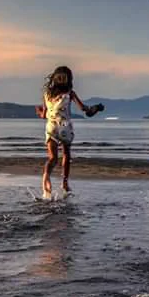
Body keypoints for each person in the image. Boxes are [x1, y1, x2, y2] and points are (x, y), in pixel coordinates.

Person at [35, 66, 103, 199]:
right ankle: (65, 183)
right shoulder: (70, 94)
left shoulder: (46, 95)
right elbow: (86, 111)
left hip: (51, 127)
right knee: (66, 154)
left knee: (52, 158)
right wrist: (97, 108)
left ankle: (46, 179)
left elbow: (44, 115)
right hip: (65, 128)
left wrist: (38, 111)